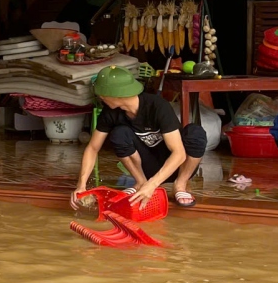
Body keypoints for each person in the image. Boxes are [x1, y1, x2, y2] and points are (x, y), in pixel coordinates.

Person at [71, 66, 208, 209]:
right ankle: (140, 182)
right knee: (119, 133)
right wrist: (81, 185)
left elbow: (179, 154)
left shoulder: (157, 106)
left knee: (195, 133)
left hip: (177, 166)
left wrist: (153, 185)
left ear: (116, 95)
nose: (100, 97)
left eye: (102, 95)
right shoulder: (110, 113)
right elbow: (92, 148)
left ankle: (180, 185)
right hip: (146, 168)